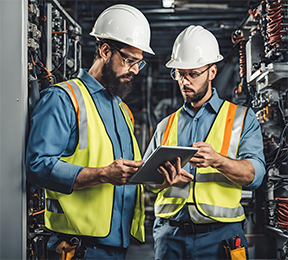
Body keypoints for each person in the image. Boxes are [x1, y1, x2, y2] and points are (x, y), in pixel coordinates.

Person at [26, 4, 154, 260]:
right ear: (105, 50)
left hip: (119, 246)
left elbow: (125, 176)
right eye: (129, 60)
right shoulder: (63, 99)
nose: (134, 70)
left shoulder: (123, 110)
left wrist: (156, 175)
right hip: (77, 249)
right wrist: (103, 174)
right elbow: (37, 166)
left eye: (139, 62)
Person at [143, 25, 266, 260]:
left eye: (193, 73)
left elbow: (255, 176)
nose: (184, 81)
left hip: (222, 237)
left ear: (212, 72)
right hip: (170, 237)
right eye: (179, 73)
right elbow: (148, 181)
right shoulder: (165, 125)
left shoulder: (241, 118)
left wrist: (219, 161)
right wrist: (162, 179)